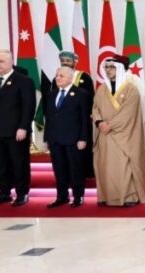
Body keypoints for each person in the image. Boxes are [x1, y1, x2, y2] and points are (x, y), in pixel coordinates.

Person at [0, 50, 35, 207]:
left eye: (0, 61)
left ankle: (22, 193)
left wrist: (24, 127)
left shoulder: (23, 81)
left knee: (19, 162)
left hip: (16, 130)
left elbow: (28, 107)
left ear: (10, 63)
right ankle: (4, 192)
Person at [93, 55, 145, 207]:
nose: (108, 70)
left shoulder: (131, 89)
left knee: (124, 165)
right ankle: (106, 196)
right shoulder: (101, 89)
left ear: (119, 69)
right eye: (106, 67)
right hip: (104, 134)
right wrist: (99, 123)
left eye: (111, 67)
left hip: (125, 135)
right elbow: (95, 108)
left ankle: (129, 196)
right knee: (106, 166)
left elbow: (128, 113)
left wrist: (109, 125)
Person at [43, 66, 93, 209]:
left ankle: (78, 196)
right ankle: (62, 196)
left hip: (74, 139)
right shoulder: (52, 94)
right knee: (59, 169)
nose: (57, 78)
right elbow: (50, 118)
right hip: (55, 139)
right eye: (57, 75)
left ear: (71, 78)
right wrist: (47, 138)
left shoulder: (81, 94)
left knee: (75, 169)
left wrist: (83, 138)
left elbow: (84, 119)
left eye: (61, 76)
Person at [44, 51, 96, 179]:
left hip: (79, 122)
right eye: (63, 61)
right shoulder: (55, 80)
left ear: (74, 62)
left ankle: (85, 173)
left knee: (80, 153)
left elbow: (90, 98)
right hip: (59, 126)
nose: (65, 62)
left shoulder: (84, 76)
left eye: (68, 60)